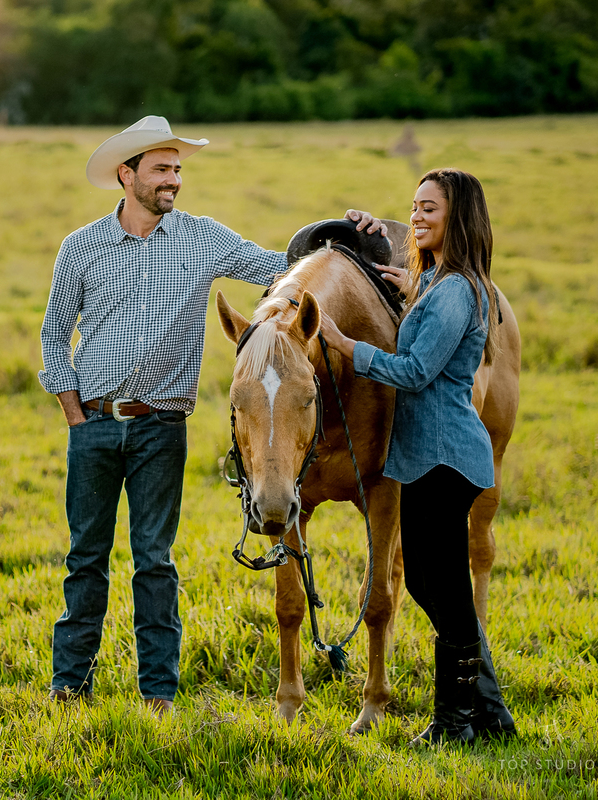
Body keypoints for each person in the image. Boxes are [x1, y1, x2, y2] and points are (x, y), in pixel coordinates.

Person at [37, 115, 385, 714]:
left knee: (155, 560)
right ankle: (71, 687)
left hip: (161, 426)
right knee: (85, 558)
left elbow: (284, 265)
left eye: (177, 170)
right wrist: (73, 412)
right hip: (92, 423)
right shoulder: (81, 247)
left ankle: (159, 695)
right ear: (128, 175)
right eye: (161, 170)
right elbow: (52, 336)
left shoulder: (203, 239)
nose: (173, 180)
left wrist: (351, 235)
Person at [320, 168, 516, 745]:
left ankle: (454, 722)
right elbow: (429, 321)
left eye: (431, 208)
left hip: (446, 459)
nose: (418, 216)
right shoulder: (441, 284)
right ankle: (489, 712)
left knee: (443, 591)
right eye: (415, 207)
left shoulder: (455, 289)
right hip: (429, 459)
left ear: (460, 217)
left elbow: (415, 372)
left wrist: (344, 345)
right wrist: (400, 270)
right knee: (434, 589)